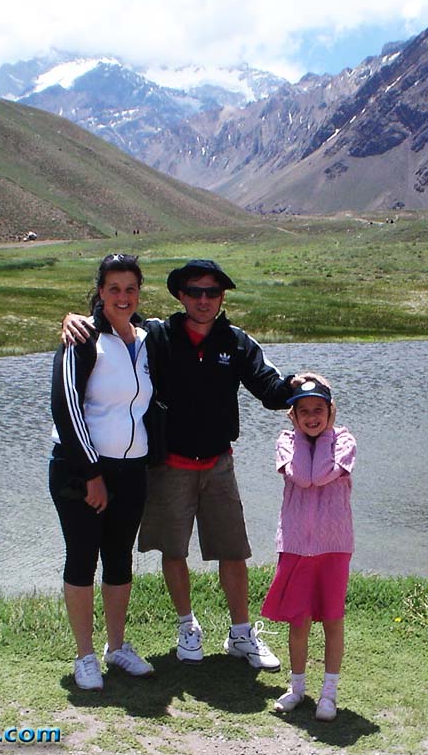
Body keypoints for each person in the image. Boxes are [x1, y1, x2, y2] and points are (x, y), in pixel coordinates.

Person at [63, 258, 293, 670]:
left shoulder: (236, 341)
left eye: (212, 292)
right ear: (179, 296)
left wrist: (302, 389)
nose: (203, 300)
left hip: (219, 463)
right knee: (173, 550)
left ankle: (241, 633)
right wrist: (75, 318)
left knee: (233, 551)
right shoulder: (157, 335)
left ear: (222, 297)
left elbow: (271, 388)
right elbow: (114, 321)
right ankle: (187, 626)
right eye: (194, 292)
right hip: (168, 465)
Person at [49, 253, 157, 691]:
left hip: (131, 470)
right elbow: (66, 405)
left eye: (130, 289)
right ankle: (84, 656)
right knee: (82, 558)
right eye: (113, 289)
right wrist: (91, 471)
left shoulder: (148, 338)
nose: (122, 297)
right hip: (81, 470)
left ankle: (117, 647)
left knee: (118, 559)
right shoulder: (82, 338)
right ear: (99, 292)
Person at [262, 373, 356, 722]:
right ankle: (297, 688)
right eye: (303, 411)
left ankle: (328, 694)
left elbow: (321, 475)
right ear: (293, 415)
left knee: (332, 619)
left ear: (331, 411)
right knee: (298, 621)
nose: (312, 417)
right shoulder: (287, 441)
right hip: (296, 546)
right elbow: (303, 476)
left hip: (334, 546)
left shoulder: (344, 440)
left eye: (319, 409)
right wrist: (301, 436)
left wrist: (326, 432)